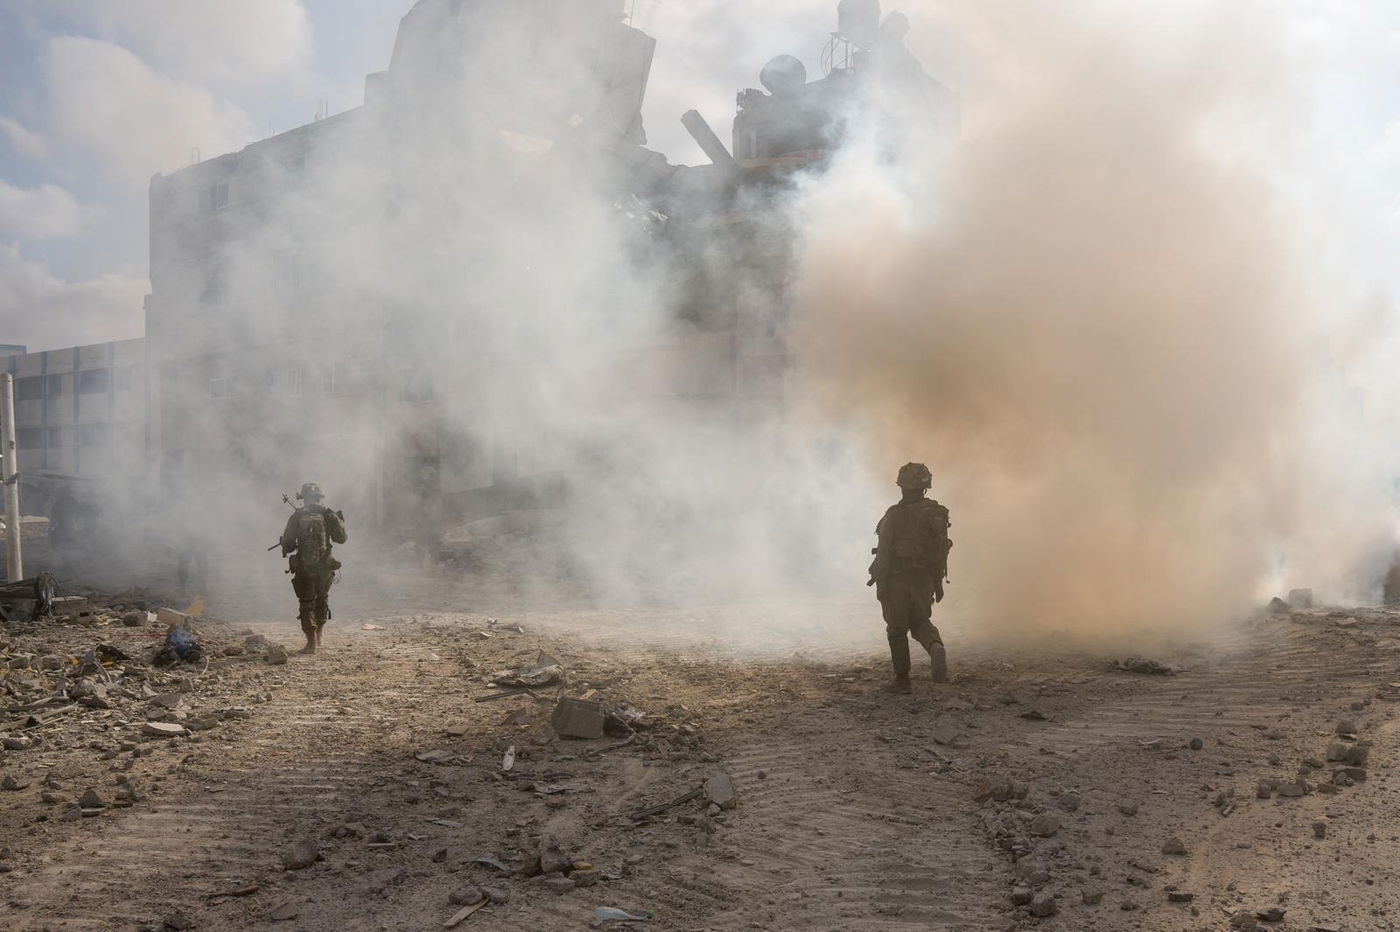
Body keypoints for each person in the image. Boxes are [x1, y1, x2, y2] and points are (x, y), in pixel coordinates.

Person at [868, 462, 952, 692]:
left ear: (902, 486)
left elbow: (883, 553)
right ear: (925, 486)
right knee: (920, 622)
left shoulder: (894, 515)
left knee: (897, 628)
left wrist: (881, 584)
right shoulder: (936, 513)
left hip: (898, 579)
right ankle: (935, 646)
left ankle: (902, 680)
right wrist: (937, 583)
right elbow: (941, 551)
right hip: (925, 578)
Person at [279, 481, 347, 654]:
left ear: (303, 498)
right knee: (322, 598)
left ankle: (311, 644)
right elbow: (341, 538)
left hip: (304, 567)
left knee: (306, 602)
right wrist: (340, 521)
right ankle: (320, 635)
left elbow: (289, 544)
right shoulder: (328, 514)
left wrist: (285, 544)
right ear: (319, 497)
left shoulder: (297, 516)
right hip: (324, 565)